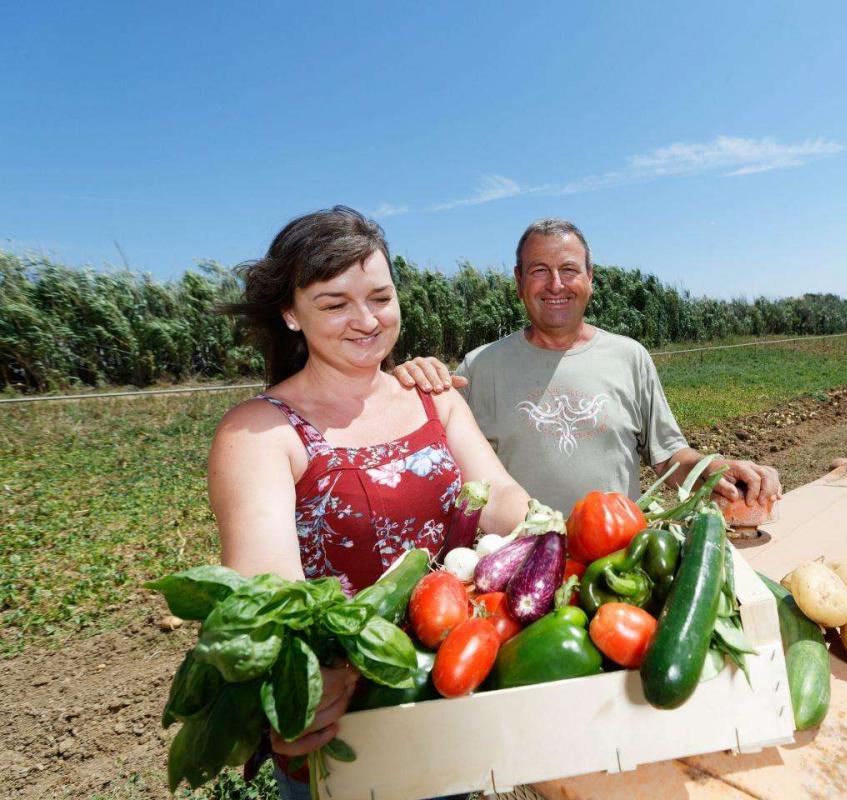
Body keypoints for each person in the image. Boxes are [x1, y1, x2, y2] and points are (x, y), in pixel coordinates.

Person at [211, 206, 529, 799]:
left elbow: (498, 493)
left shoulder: (436, 400)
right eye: (334, 304)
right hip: (340, 716)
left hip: (445, 685)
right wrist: (318, 669)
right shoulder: (259, 432)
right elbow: (264, 584)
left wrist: (548, 525)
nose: (365, 321)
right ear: (290, 314)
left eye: (380, 298)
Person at [393, 218, 782, 516]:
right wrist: (399, 388)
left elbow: (668, 457)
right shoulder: (479, 368)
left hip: (616, 563)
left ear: (590, 279)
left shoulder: (630, 357)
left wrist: (712, 468)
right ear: (519, 281)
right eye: (539, 270)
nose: (556, 284)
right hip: (517, 568)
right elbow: (423, 463)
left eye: (569, 269)